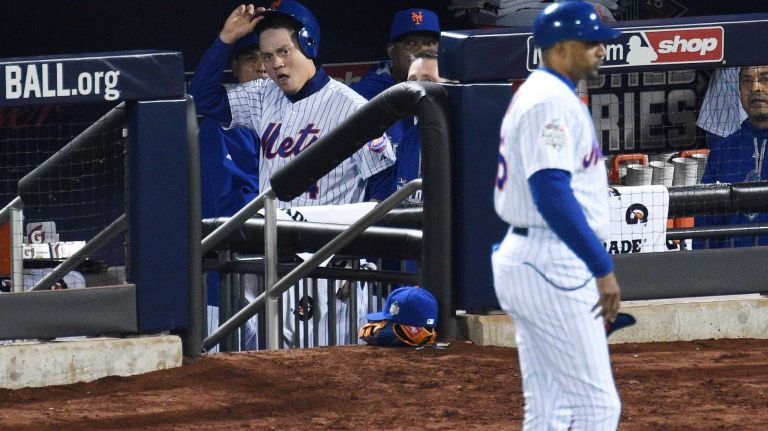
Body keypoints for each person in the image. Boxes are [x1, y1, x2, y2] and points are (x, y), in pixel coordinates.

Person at [189, 1, 396, 348]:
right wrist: (226, 39)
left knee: (339, 365)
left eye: (284, 51)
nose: (275, 64)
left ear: (309, 44)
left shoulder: (354, 108)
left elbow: (384, 190)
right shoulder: (263, 96)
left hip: (333, 261)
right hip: (278, 257)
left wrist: (362, 252)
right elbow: (203, 97)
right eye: (267, 56)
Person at [491, 2, 623, 429]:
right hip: (552, 259)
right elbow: (550, 191)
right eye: (592, 43)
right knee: (596, 408)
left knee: (549, 409)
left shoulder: (544, 93)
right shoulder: (549, 101)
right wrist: (601, 267)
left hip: (531, 256)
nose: (601, 50)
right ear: (561, 47)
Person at [350, 8, 440, 202]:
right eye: (411, 43)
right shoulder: (363, 97)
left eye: (430, 43)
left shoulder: (458, 103)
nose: (422, 50)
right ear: (392, 51)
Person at [695, 65, 768, 248]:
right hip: (734, 268)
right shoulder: (723, 151)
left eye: (765, 79)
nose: (755, 88)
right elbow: (706, 224)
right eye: (746, 80)